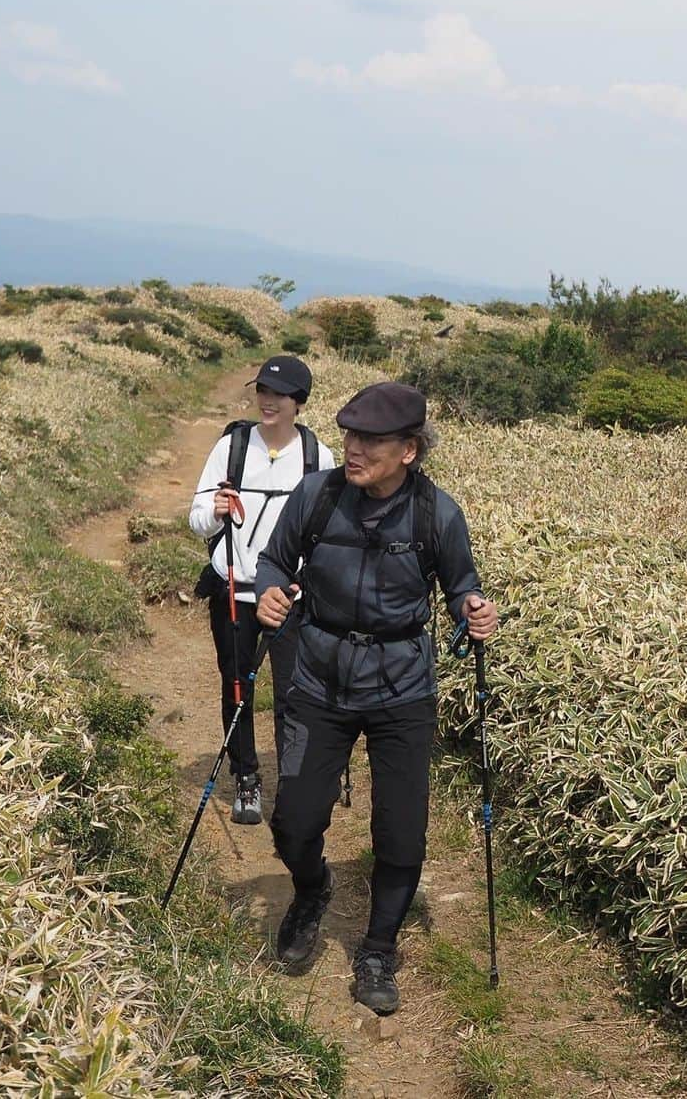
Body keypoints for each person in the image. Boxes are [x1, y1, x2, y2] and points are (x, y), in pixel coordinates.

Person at [256, 381, 497, 1015]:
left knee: (402, 834)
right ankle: (312, 891)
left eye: (370, 440)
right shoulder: (316, 495)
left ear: (409, 451)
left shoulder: (436, 513)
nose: (352, 449)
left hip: (402, 688)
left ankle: (378, 948)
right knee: (294, 821)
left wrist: (472, 609)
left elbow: (461, 584)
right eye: (349, 435)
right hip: (318, 677)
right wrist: (272, 592)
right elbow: (275, 562)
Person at [189, 355, 334, 824]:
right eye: (263, 392)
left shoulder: (318, 457)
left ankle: (292, 789)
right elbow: (196, 521)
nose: (268, 402)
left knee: (295, 693)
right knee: (236, 687)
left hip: (289, 598)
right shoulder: (230, 448)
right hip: (232, 587)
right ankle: (246, 778)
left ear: (299, 402)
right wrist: (215, 509)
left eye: (281, 394)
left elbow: (329, 534)